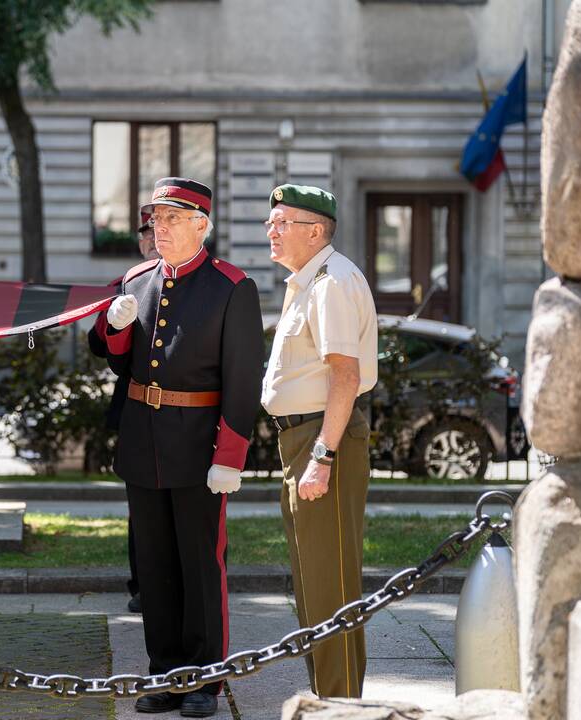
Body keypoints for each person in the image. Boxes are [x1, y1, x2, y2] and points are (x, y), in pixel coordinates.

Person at [105, 177, 264, 717]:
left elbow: (243, 380)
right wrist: (114, 329)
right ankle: (164, 673)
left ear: (202, 225)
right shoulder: (136, 279)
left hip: (199, 449)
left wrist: (231, 455)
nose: (160, 228)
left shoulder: (231, 287)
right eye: (156, 219)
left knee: (199, 565)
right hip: (143, 442)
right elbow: (116, 360)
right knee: (152, 567)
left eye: (173, 219)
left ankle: (203, 680)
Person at [260, 184, 378, 699]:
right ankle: (331, 700)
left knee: (328, 588)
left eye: (282, 222)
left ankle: (340, 704)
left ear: (315, 231)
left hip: (322, 439)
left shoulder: (332, 283)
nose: (271, 230)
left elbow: (345, 377)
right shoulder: (308, 282)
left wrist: (323, 456)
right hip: (304, 438)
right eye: (272, 221)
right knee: (314, 586)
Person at [87, 212, 159, 614]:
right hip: (136, 402)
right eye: (146, 233)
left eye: (157, 231)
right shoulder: (126, 284)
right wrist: (112, 323)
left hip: (190, 412)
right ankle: (144, 586)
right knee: (142, 507)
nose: (151, 239)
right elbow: (98, 344)